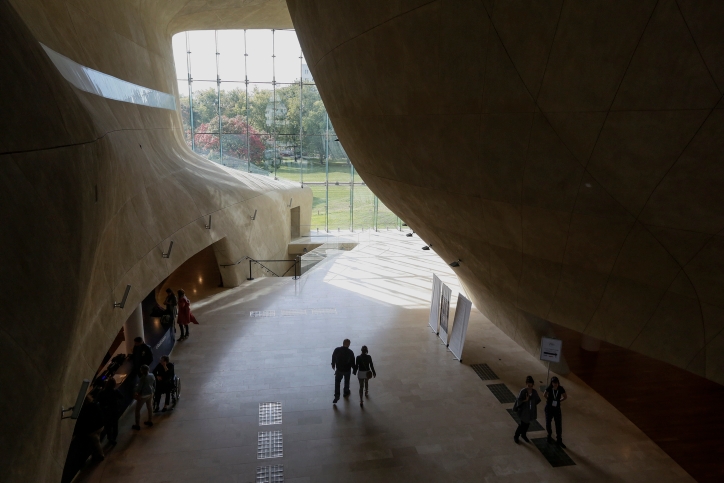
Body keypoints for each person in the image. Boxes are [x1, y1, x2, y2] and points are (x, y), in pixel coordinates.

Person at [73, 395, 105, 461]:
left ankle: (100, 455)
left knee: (96, 443)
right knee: (97, 441)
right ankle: (97, 454)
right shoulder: (95, 405)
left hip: (93, 430)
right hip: (101, 426)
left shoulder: (83, 411)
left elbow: (81, 423)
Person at [513, 375, 541, 444]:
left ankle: (523, 434)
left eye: (531, 386)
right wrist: (525, 400)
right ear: (526, 384)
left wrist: (532, 405)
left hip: (530, 411)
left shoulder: (534, 392)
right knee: (523, 424)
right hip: (524, 410)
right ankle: (516, 436)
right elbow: (518, 400)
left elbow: (537, 400)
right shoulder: (523, 391)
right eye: (528, 386)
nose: (530, 387)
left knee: (527, 423)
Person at [96, 379, 123, 445]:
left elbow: (97, 401)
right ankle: (114, 438)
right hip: (115, 410)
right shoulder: (115, 391)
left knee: (108, 425)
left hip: (106, 412)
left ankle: (109, 438)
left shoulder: (101, 392)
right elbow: (122, 397)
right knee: (115, 425)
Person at [543, 376, 567, 448]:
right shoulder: (549, 388)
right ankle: (549, 435)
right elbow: (544, 394)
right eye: (553, 383)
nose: (555, 384)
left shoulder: (560, 389)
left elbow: (565, 396)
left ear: (558, 383)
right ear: (552, 383)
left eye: (556, 383)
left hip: (557, 408)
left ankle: (559, 439)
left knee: (558, 424)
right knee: (548, 422)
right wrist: (549, 400)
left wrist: (559, 401)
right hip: (549, 408)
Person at [331, 339, 355, 404]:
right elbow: (352, 362)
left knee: (337, 382)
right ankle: (346, 392)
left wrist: (333, 364)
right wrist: (355, 369)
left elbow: (333, 357)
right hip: (347, 370)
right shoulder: (350, 352)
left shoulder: (337, 350)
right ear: (349, 344)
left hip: (339, 370)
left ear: (343, 343)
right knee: (347, 381)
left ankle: (337, 396)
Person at [132, 364, 155, 430]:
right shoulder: (152, 375)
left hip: (143, 396)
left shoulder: (142, 378)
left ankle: (137, 424)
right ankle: (150, 420)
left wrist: (135, 391)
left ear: (142, 371)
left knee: (137, 410)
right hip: (150, 394)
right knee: (149, 407)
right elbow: (154, 384)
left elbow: (139, 388)